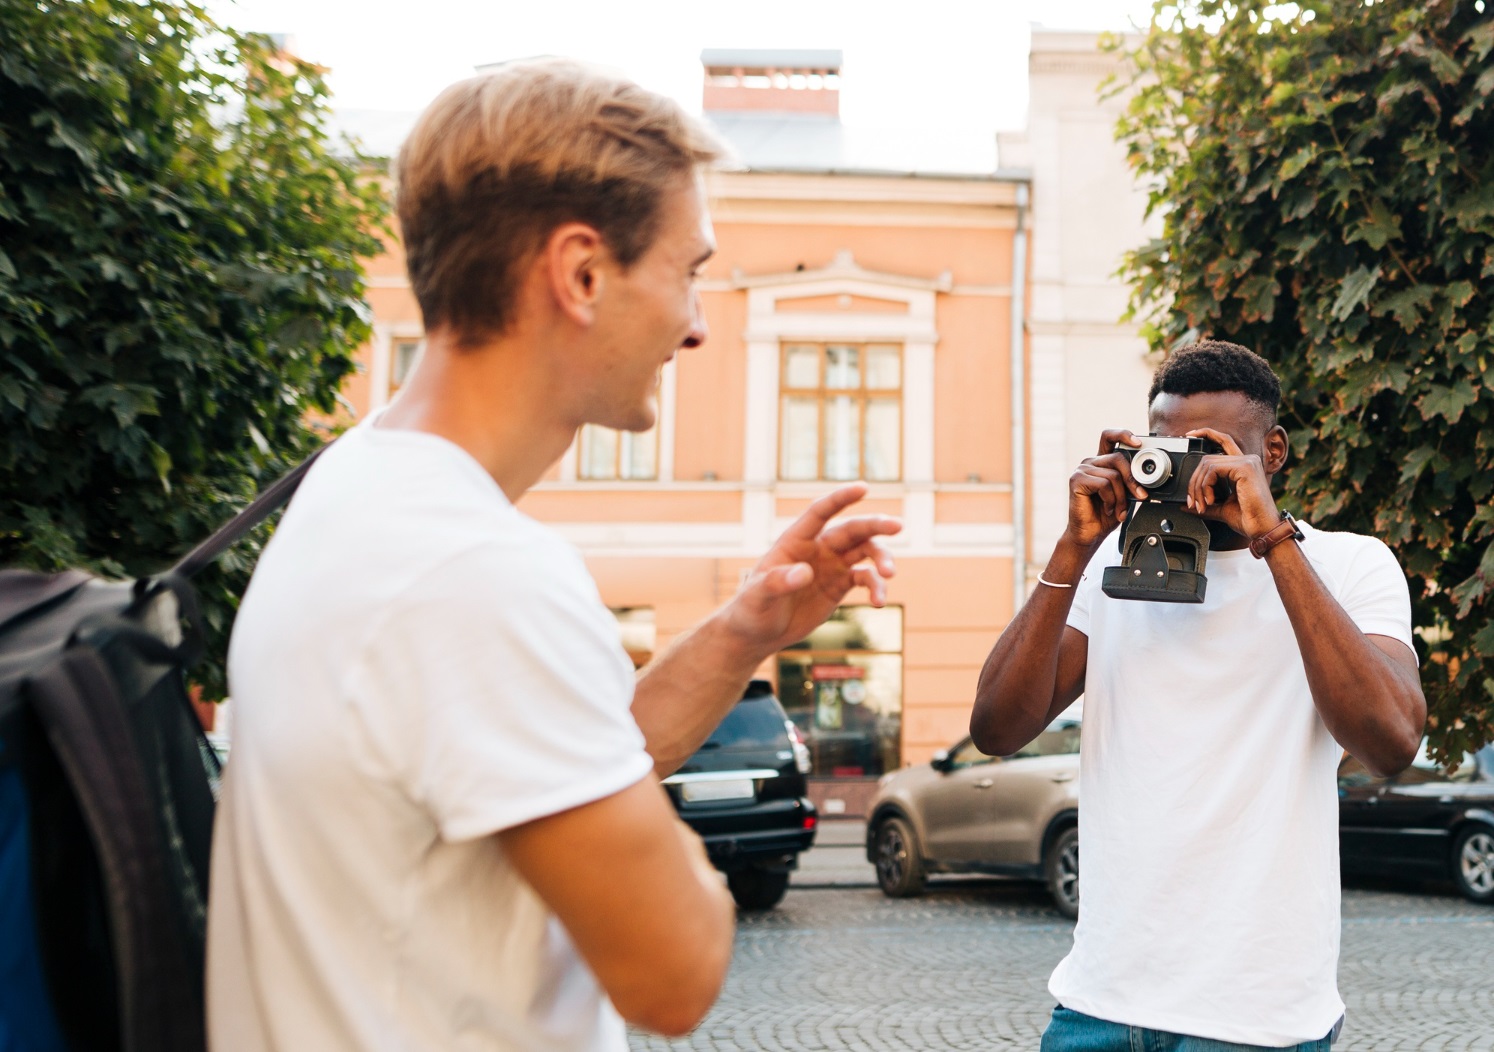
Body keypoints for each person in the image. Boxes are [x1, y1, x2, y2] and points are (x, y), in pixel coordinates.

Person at [205, 59, 900, 1051]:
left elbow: (541, 763)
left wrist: (747, 628)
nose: (697, 325)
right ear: (581, 273)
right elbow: (675, 969)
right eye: (687, 270)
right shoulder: (473, 571)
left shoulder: (361, 486)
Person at [971, 340, 1425, 1051]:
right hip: (1099, 1004)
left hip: (1256, 1020)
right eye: (1169, 447)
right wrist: (1075, 546)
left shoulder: (1348, 564)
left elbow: (1392, 740)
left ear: (1271, 453)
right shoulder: (1112, 572)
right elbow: (997, 726)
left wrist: (1271, 538)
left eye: (1213, 448)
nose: (1192, 471)